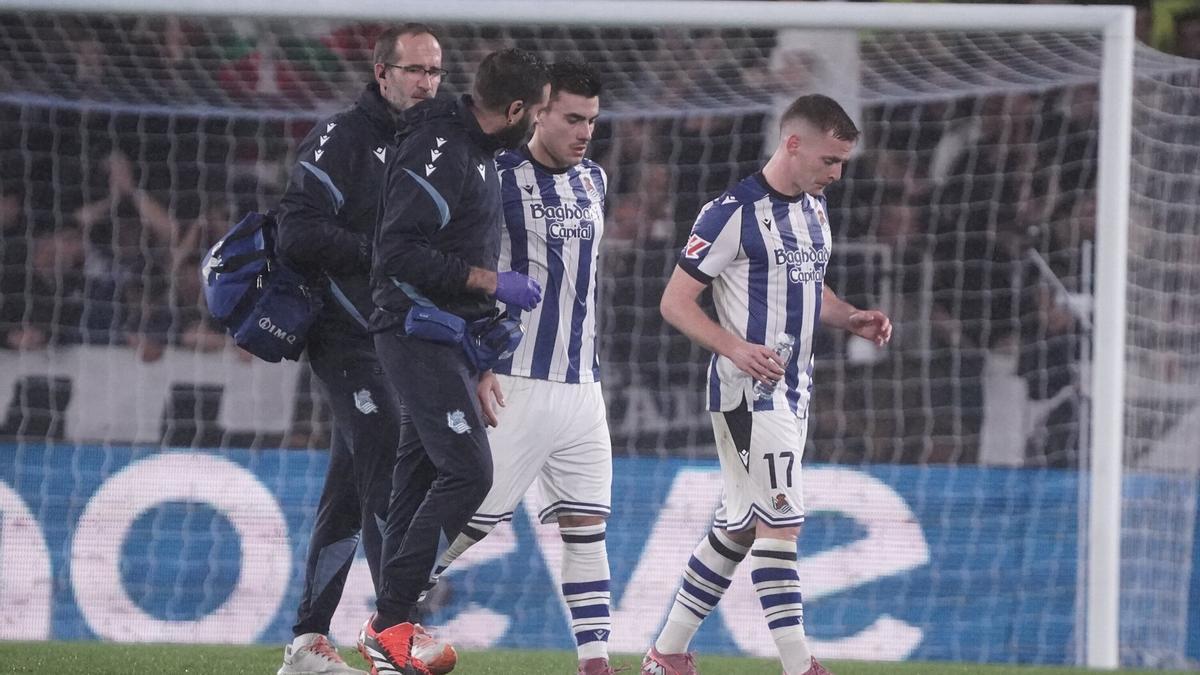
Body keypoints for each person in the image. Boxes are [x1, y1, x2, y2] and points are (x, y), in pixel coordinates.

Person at [642, 94, 892, 675]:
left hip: (795, 390)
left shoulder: (815, 209)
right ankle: (799, 665)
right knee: (781, 522)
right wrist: (735, 346)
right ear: (793, 143)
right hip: (748, 394)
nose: (837, 174)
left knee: (736, 530)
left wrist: (850, 316)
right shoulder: (730, 213)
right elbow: (675, 302)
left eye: (843, 162)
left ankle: (667, 654)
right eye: (829, 160)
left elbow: (809, 289)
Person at [418, 61, 618, 675]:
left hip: (583, 387)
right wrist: (477, 362)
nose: (584, 132)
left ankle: (596, 663)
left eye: (592, 121)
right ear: (538, 112)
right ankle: (390, 614)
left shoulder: (595, 180)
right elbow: (464, 267)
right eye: (573, 119)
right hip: (513, 379)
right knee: (470, 525)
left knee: (587, 529)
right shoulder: (496, 175)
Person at [362, 48, 551, 675]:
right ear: (516, 109)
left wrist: (481, 352)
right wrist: (493, 282)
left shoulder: (477, 151)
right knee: (469, 472)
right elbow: (397, 253)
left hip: (447, 339)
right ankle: (391, 620)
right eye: (539, 113)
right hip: (412, 330)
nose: (537, 124)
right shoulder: (441, 147)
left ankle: (390, 631)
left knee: (417, 479)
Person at [273, 24, 448, 675]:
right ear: (382, 73)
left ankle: (306, 643)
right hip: (343, 334)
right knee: (385, 453)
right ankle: (395, 625)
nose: (426, 83)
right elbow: (295, 230)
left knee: (349, 489)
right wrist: (380, 254)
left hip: (398, 339)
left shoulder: (432, 146)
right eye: (414, 70)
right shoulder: (342, 136)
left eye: (434, 72)